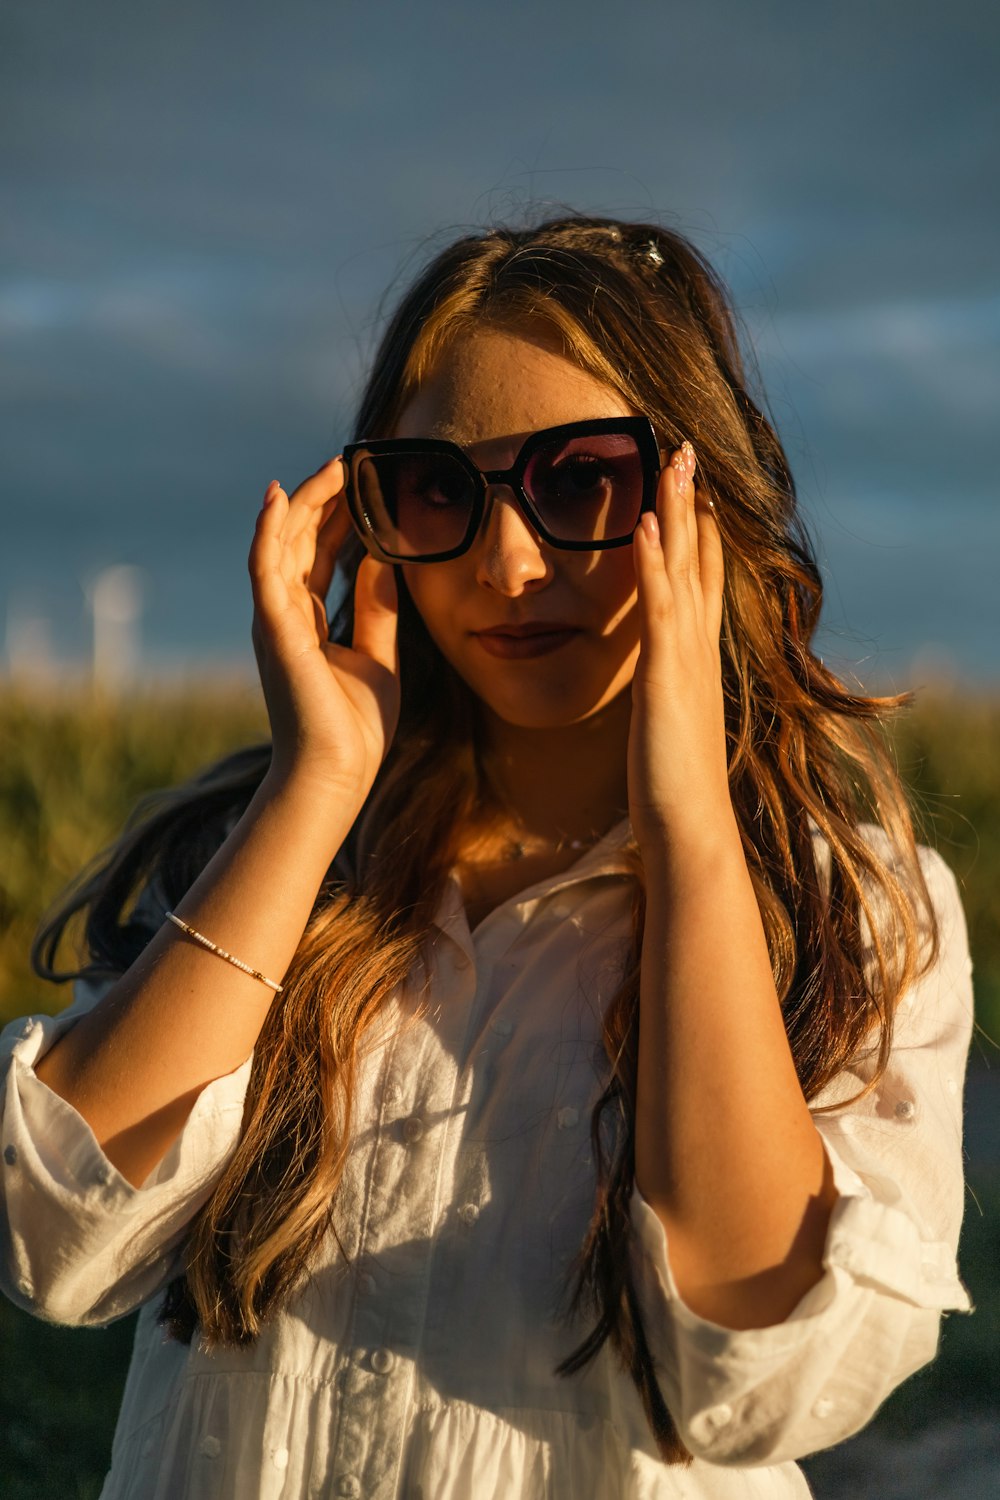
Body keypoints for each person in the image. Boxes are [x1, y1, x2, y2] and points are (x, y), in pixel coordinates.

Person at [0, 215, 973, 1500]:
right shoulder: (270, 851)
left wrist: (688, 828)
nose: (509, 563)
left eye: (580, 481)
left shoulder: (843, 903)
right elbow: (54, 1237)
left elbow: (756, 1377)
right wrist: (317, 786)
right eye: (439, 490)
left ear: (706, 502)